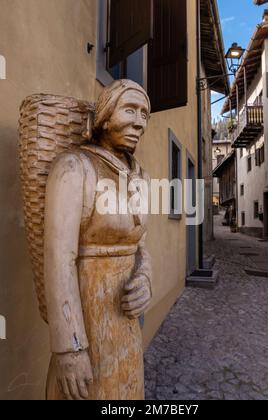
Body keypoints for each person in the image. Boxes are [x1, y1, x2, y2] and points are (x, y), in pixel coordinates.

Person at [44, 80, 152, 400]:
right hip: (86, 326)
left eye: (145, 113)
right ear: (104, 116)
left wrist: (145, 278)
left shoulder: (142, 177)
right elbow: (58, 258)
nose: (139, 121)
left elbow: (142, 245)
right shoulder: (75, 167)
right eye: (129, 109)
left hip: (126, 328)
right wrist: (69, 348)